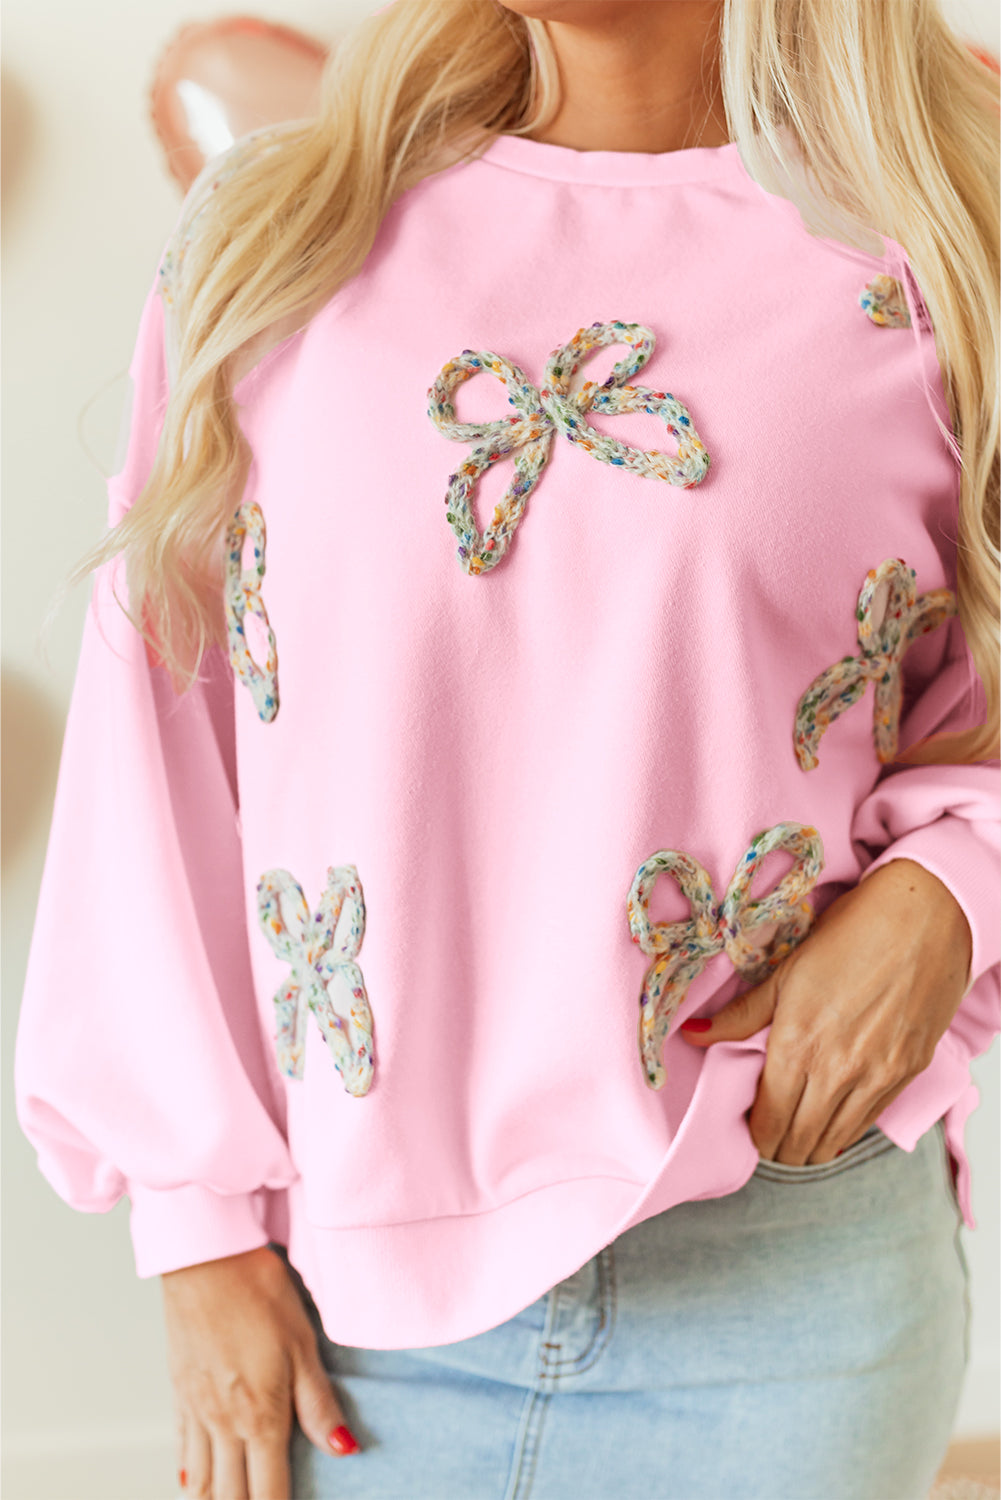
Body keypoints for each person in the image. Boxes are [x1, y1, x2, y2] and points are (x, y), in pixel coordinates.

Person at [14, 0, 1000, 1496]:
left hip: (788, 1281)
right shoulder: (287, 225)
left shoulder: (937, 238)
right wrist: (192, 1221)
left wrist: (952, 885)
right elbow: (158, 725)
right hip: (351, 1314)